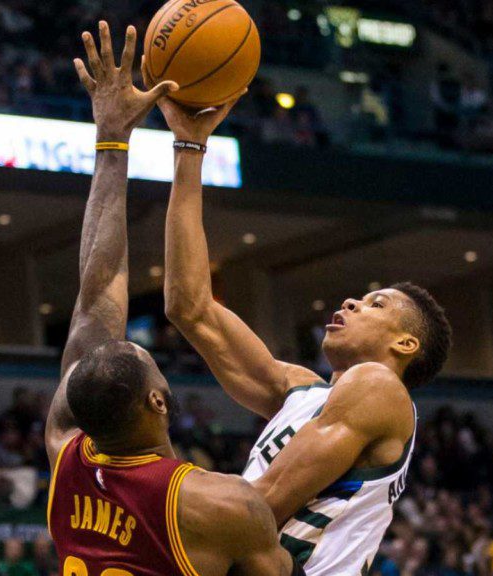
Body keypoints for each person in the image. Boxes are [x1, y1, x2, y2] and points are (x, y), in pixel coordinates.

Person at [154, 51, 452, 574]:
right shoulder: (303, 392)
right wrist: (190, 146)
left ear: (405, 345)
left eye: (376, 303)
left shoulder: (379, 388)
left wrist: (156, 493)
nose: (352, 302)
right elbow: (189, 307)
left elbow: (261, 506)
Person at [43, 21, 299, 576]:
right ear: (158, 403)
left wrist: (113, 139)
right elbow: (93, 308)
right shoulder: (222, 505)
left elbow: (94, 302)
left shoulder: (67, 457)